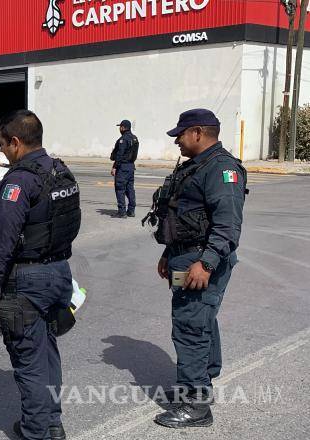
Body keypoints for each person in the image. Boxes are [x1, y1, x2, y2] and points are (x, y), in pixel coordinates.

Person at [0, 110, 81, 440]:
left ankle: (35, 432)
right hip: (60, 273)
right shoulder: (60, 170)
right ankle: (52, 423)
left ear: (15, 142)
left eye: (2, 144)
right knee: (48, 353)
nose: (2, 150)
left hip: (28, 281)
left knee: (30, 362)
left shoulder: (18, 181)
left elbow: (2, 241)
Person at [145, 109, 247, 428]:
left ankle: (196, 405)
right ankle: (204, 379)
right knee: (201, 321)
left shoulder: (221, 169)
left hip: (202, 261)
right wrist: (167, 253)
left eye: (181, 134)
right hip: (185, 256)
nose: (177, 140)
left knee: (190, 326)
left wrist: (205, 263)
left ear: (199, 133)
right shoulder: (197, 167)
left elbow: (228, 225)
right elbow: (183, 217)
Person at [109, 120, 139, 218]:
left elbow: (119, 155)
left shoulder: (123, 139)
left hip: (123, 167)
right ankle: (131, 211)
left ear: (122, 127)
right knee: (130, 189)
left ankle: (122, 212)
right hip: (131, 166)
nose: (119, 129)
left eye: (120, 127)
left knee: (120, 189)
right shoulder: (135, 138)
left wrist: (114, 167)